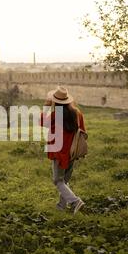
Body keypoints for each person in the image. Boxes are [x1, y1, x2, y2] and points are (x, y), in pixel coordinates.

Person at [40, 86, 86, 215]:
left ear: (56, 101)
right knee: (64, 180)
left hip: (59, 152)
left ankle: (75, 202)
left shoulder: (56, 115)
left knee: (58, 180)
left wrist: (46, 105)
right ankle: (61, 206)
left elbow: (41, 121)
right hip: (73, 151)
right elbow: (83, 132)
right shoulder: (78, 114)